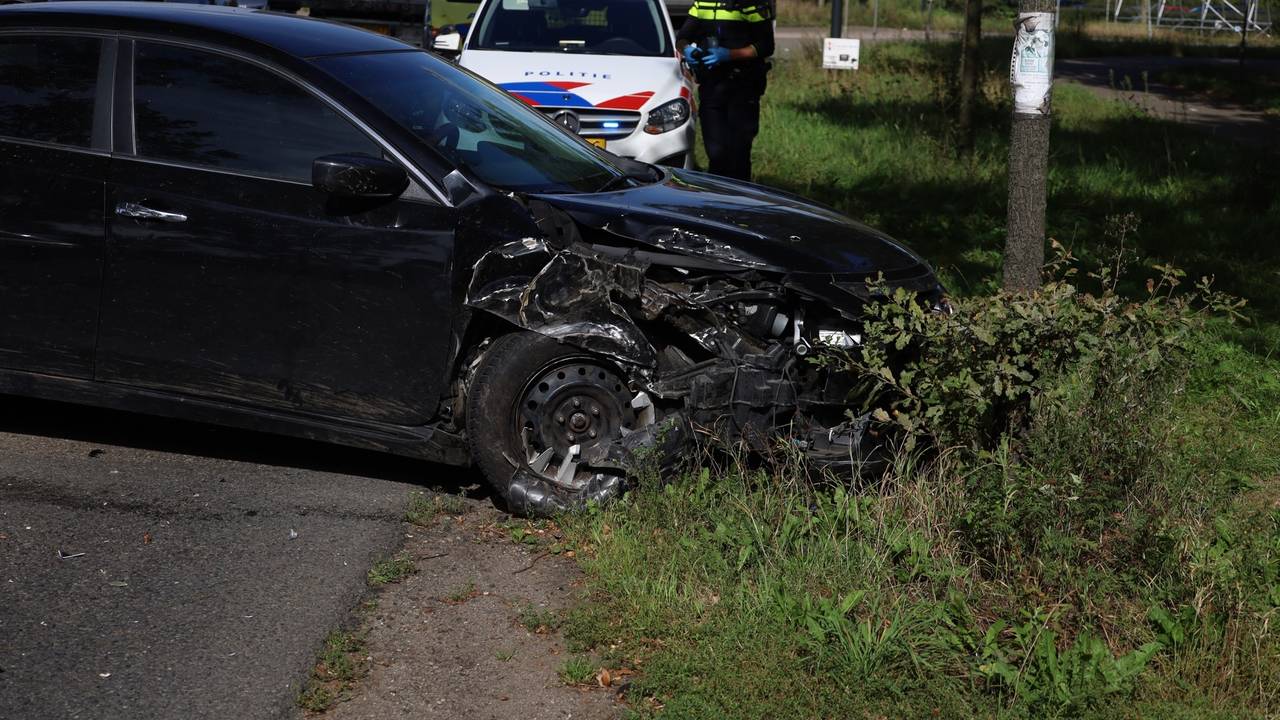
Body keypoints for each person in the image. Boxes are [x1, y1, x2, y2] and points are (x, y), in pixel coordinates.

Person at [676, 0, 774, 182]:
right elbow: (682, 38)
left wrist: (730, 55)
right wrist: (687, 49)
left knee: (738, 153)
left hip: (743, 87)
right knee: (716, 154)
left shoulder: (752, 4)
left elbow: (767, 45)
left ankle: (739, 202)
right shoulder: (703, 3)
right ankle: (717, 202)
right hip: (712, 87)